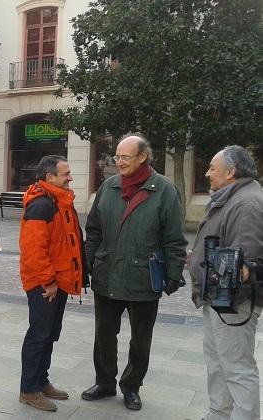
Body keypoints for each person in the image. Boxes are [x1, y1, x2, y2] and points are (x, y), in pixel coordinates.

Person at [81, 134, 187, 410]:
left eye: (125, 157)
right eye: (117, 157)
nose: (119, 162)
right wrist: (90, 261)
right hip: (107, 275)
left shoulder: (164, 190)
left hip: (143, 277)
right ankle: (104, 382)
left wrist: (173, 274)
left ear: (143, 157)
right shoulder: (108, 187)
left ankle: (131, 387)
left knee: (141, 339)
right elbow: (93, 229)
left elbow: (174, 238)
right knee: (104, 334)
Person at [187, 145, 263, 420]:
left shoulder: (246, 203)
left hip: (232, 303)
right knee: (218, 363)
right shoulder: (233, 197)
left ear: (231, 172)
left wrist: (223, 286)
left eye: (212, 168)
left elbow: (245, 261)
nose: (207, 173)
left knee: (236, 368)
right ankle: (218, 414)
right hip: (218, 299)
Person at [18, 155, 88, 412]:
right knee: (39, 335)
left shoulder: (59, 200)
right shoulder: (41, 205)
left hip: (57, 281)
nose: (70, 177)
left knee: (49, 334)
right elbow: (34, 250)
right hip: (44, 284)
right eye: (66, 173)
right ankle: (28, 389)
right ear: (50, 178)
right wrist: (48, 282)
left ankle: (41, 381)